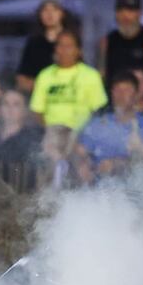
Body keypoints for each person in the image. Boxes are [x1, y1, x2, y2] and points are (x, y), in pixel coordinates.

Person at [31, 30, 108, 186]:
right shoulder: (45, 75)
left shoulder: (90, 75)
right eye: (60, 45)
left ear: (78, 50)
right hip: (53, 131)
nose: (64, 49)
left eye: (69, 46)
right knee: (49, 147)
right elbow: (37, 111)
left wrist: (84, 133)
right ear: (55, 49)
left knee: (78, 151)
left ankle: (78, 188)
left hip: (81, 131)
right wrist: (50, 130)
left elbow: (99, 111)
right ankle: (49, 195)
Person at [76, 72, 143, 181]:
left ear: (136, 95)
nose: (120, 95)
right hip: (97, 190)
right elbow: (81, 152)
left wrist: (118, 163)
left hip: (131, 189)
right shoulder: (98, 123)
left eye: (126, 90)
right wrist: (83, 163)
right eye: (116, 90)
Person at [0, 89, 43, 190]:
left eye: (16, 104)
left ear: (25, 110)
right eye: (6, 104)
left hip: (22, 199)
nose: (10, 109)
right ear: (0, 109)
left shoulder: (35, 138)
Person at [15, 0, 67, 93]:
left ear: (62, 13)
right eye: (45, 10)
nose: (49, 14)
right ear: (40, 14)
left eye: (54, 9)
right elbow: (22, 78)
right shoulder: (34, 43)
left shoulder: (72, 41)